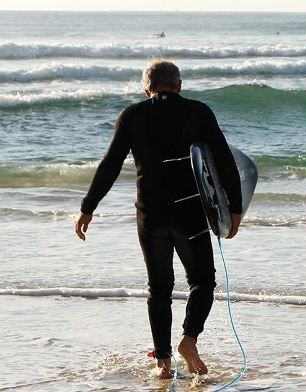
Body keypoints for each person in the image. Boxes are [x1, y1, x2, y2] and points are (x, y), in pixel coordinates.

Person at [74, 59, 242, 379]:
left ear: (146, 88)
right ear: (179, 85)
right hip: (189, 212)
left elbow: (110, 165)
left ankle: (163, 363)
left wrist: (88, 207)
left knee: (159, 288)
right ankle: (189, 339)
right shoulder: (198, 111)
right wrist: (234, 209)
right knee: (202, 280)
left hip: (150, 215)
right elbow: (224, 161)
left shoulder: (132, 115)